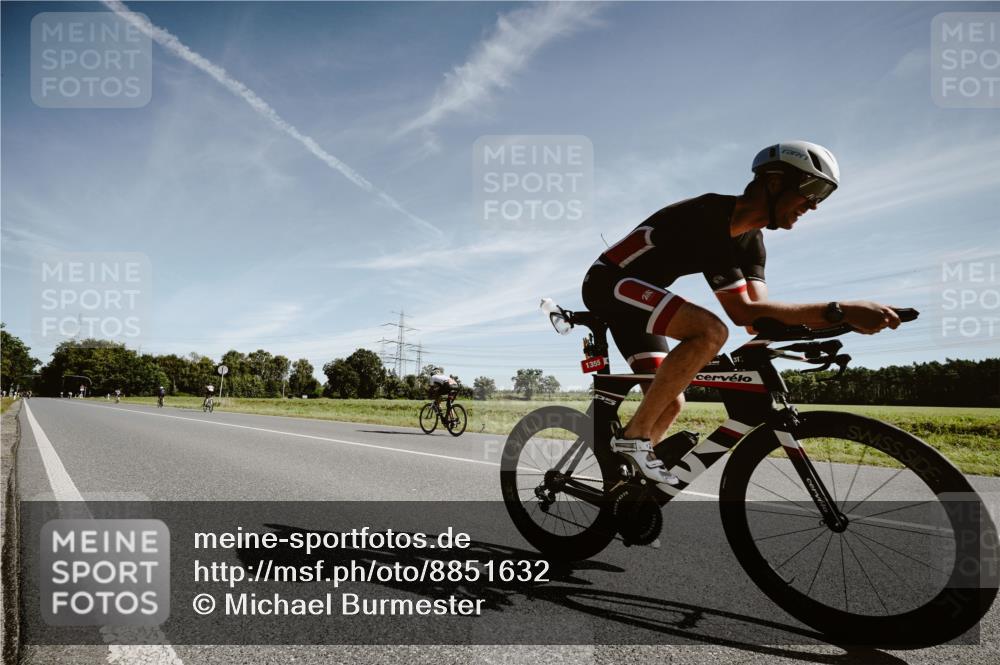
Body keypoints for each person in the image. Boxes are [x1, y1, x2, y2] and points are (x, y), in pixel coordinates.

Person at [582, 141, 900, 485]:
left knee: (670, 403)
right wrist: (842, 309)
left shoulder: (751, 243)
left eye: (823, 197)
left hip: (641, 301)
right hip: (609, 283)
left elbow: (757, 319)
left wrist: (841, 321)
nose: (813, 205)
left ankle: (626, 487)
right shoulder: (709, 215)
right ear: (774, 182)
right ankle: (634, 438)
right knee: (710, 331)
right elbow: (740, 311)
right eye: (812, 189)